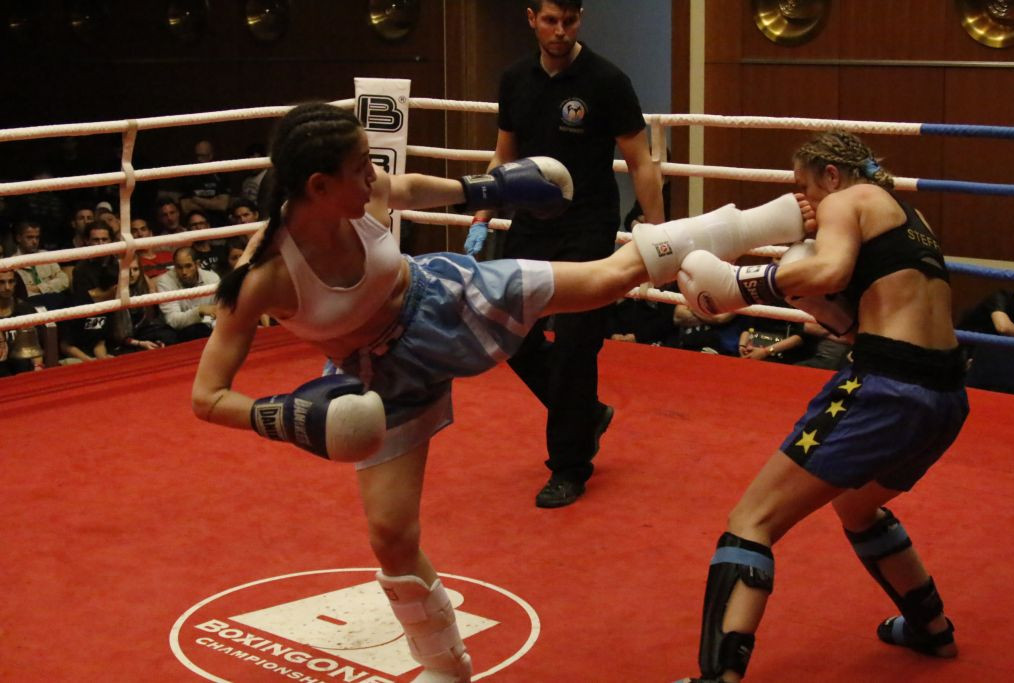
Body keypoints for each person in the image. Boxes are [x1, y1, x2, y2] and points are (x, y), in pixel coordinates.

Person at [189, 102, 808, 682]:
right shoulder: (264, 277)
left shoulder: (365, 194)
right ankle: (444, 664)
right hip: (381, 380)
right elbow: (208, 396)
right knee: (392, 539)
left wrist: (481, 190)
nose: (374, 175)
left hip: (445, 299)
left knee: (602, 281)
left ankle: (770, 225)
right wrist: (281, 416)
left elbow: (406, 188)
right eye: (360, 167)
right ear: (319, 187)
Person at [672, 130, 968, 682]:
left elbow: (828, 271)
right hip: (946, 396)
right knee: (857, 507)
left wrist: (740, 283)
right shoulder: (910, 217)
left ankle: (718, 678)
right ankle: (931, 630)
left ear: (831, 175)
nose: (804, 203)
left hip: (887, 387)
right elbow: (864, 321)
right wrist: (824, 309)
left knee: (752, 519)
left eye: (804, 187)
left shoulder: (846, 200)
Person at [466, 0, 666, 508]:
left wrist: (658, 233)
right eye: (550, 21)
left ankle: (569, 467)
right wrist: (482, 214)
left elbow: (640, 160)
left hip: (587, 226)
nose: (560, 31)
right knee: (506, 332)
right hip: (531, 224)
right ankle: (585, 414)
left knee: (577, 344)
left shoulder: (607, 80)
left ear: (580, 19)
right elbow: (504, 153)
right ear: (531, 18)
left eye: (569, 21)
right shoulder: (515, 79)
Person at [157, 246, 220, 342]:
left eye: (188, 266)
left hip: (207, 329)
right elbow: (173, 321)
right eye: (179, 267)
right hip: (178, 334)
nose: (184, 272)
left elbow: (217, 313)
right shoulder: (165, 281)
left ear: (197, 264)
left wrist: (205, 318)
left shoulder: (212, 279)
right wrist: (199, 311)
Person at [11, 220, 70, 309]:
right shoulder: (11, 263)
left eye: (37, 237)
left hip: (55, 302)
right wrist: (52, 285)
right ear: (19, 238)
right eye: (30, 237)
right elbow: (23, 293)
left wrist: (39, 288)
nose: (34, 241)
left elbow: (64, 281)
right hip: (31, 307)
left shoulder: (46, 255)